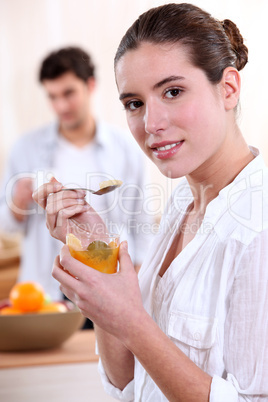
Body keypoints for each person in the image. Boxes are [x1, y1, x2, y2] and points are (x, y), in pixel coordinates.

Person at [33, 3, 268, 401]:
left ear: (228, 89)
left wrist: (132, 322)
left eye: (173, 92)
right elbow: (128, 382)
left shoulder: (257, 231)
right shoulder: (181, 205)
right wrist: (95, 250)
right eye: (134, 103)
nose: (151, 124)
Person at [0, 46, 154, 302]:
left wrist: (136, 290)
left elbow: (143, 225)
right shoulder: (25, 149)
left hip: (110, 289)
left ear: (90, 85)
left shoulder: (126, 148)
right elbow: (5, 226)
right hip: (45, 294)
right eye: (52, 96)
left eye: (68, 93)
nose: (61, 105)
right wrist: (18, 201)